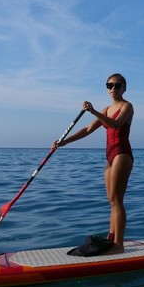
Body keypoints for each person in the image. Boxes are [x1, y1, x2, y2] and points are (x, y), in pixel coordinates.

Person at [53, 73, 134, 254]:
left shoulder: (127, 107)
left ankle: (119, 245)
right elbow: (87, 129)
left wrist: (94, 111)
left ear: (124, 88)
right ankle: (111, 238)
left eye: (117, 85)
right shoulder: (106, 109)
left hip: (122, 154)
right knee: (111, 200)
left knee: (118, 200)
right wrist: (64, 141)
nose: (113, 88)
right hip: (109, 155)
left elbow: (115, 125)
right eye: (109, 85)